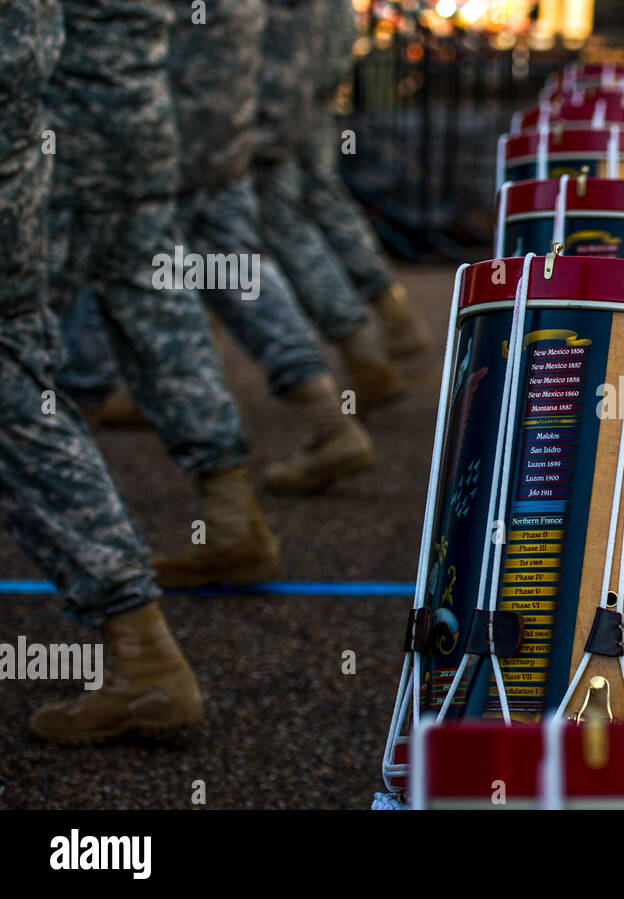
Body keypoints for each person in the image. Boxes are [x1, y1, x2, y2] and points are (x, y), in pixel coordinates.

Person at [1, 0, 202, 745]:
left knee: (16, 388)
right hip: (78, 130)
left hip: (71, 132)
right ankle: (230, 498)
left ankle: (139, 637)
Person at [44, 0, 280, 588]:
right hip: (143, 127)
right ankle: (231, 523)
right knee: (164, 319)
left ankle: (119, 598)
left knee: (17, 354)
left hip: (62, 140)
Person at [254, 0, 406, 411]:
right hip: (293, 100)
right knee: (311, 208)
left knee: (262, 233)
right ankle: (382, 328)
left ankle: (348, 368)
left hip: (264, 109)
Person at [298, 0, 431, 361]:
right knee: (322, 203)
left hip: (277, 107)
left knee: (272, 226)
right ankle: (389, 316)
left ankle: (349, 349)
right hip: (303, 102)